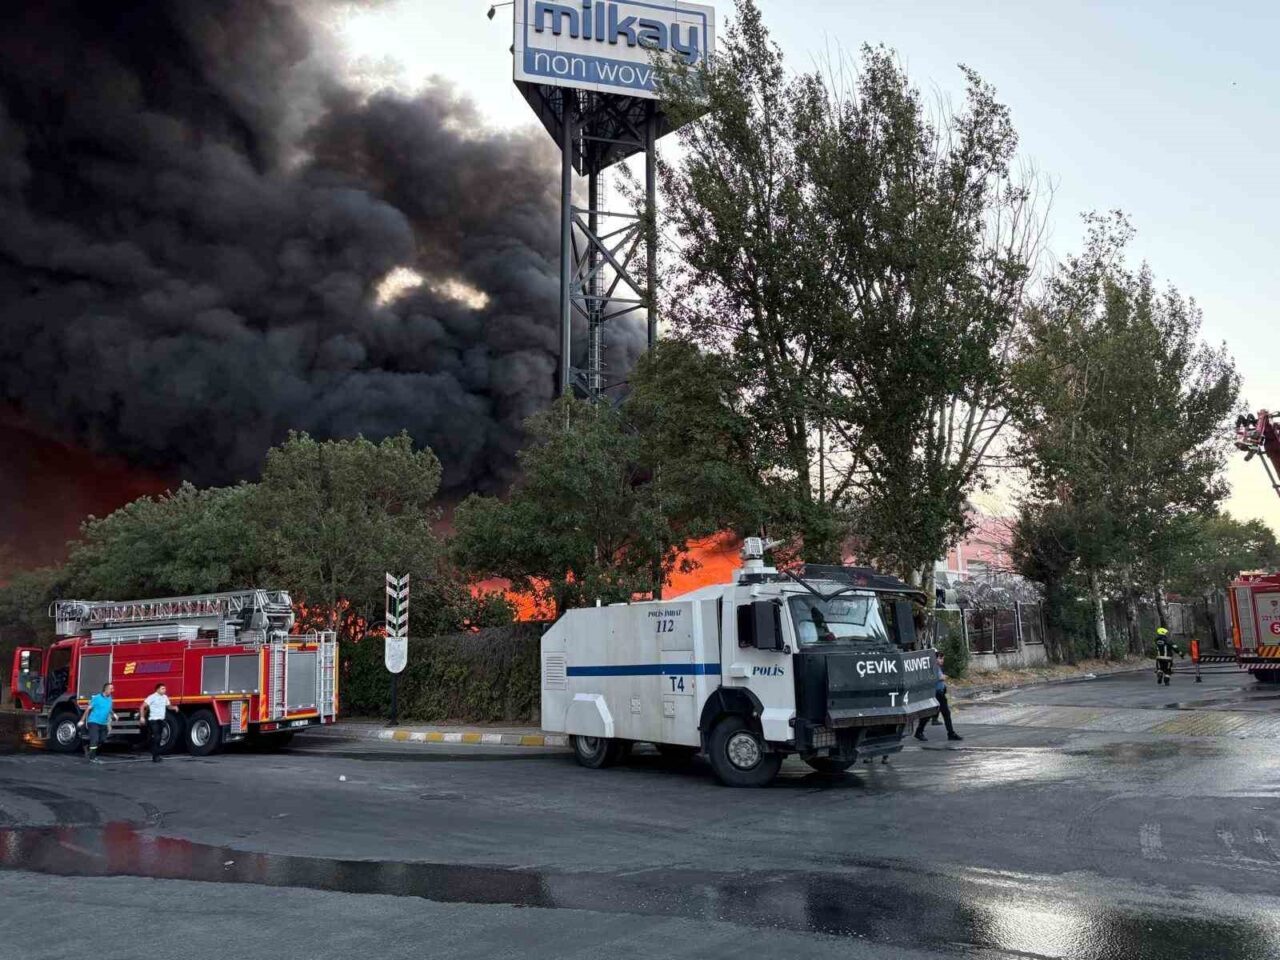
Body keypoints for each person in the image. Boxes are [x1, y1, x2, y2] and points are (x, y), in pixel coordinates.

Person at [915, 651, 962, 742]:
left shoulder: (938, 668)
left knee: (944, 713)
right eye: (940, 658)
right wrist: (941, 678)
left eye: (942, 658)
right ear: (935, 659)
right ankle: (919, 732)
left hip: (940, 693)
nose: (942, 660)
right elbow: (929, 679)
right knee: (929, 714)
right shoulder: (931, 667)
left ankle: (950, 733)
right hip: (935, 694)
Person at [79, 682, 115, 764]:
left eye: (113, 689)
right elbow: (88, 709)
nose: (112, 690)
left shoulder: (110, 699)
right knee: (94, 739)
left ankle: (88, 747)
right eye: (111, 689)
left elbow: (108, 710)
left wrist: (113, 716)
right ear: (106, 689)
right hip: (93, 721)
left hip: (103, 723)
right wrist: (82, 720)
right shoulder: (97, 698)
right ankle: (92, 758)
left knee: (102, 740)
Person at [141, 682, 172, 763]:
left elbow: (168, 706)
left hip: (161, 720)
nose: (165, 690)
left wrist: (174, 707)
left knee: (159, 738)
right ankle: (155, 756)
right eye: (162, 688)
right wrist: (142, 717)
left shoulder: (165, 697)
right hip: (153, 720)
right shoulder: (151, 697)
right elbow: (142, 706)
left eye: (165, 688)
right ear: (157, 689)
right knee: (157, 737)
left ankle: (156, 754)